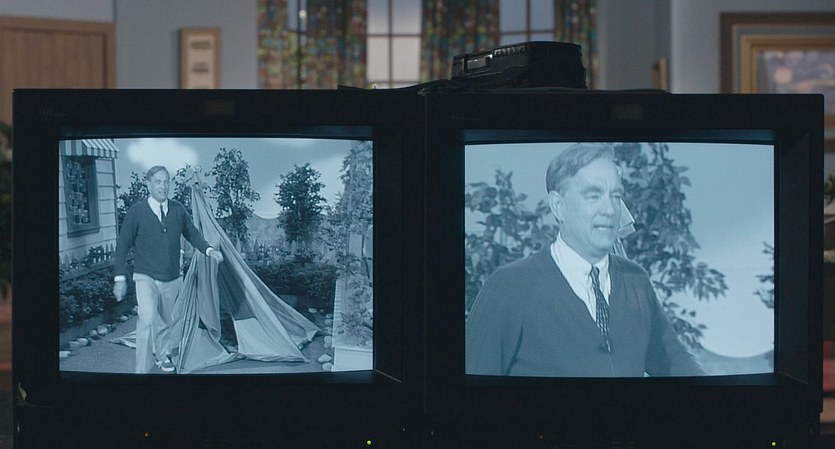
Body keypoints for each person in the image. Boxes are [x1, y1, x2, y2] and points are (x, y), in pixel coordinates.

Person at [465, 143, 706, 378]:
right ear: (558, 206)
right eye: (593, 196)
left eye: (616, 196)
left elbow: (675, 363)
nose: (610, 210)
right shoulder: (510, 285)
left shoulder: (635, 281)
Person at [113, 166, 224, 373]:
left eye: (166, 182)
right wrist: (119, 277)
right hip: (145, 276)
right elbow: (122, 246)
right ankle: (141, 369)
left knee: (165, 321)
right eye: (158, 182)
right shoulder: (136, 212)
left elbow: (192, 233)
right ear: (149, 184)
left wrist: (209, 250)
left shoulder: (178, 210)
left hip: (171, 277)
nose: (163, 186)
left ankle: (163, 356)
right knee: (147, 319)